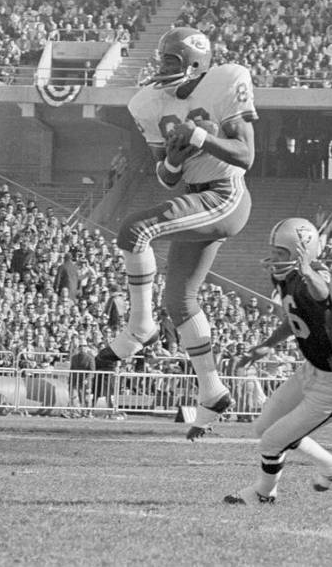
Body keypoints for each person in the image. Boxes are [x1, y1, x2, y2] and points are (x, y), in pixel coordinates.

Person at [94, 27, 257, 438]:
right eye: (163, 59)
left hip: (226, 194)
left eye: (173, 60)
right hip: (196, 194)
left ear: (197, 64)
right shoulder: (148, 102)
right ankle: (213, 390)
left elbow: (246, 155)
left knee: (135, 230)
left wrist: (200, 135)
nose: (163, 68)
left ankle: (140, 327)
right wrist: (173, 159)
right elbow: (166, 178)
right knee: (180, 300)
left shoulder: (226, 80)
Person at [224, 218, 332, 505]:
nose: (274, 259)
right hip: (310, 370)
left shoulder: (318, 276)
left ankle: (263, 493)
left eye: (282, 253)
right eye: (274, 251)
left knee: (271, 442)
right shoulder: (287, 278)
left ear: (303, 253)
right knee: (265, 427)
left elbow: (323, 295)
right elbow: (294, 318)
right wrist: (267, 345)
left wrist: (307, 270)